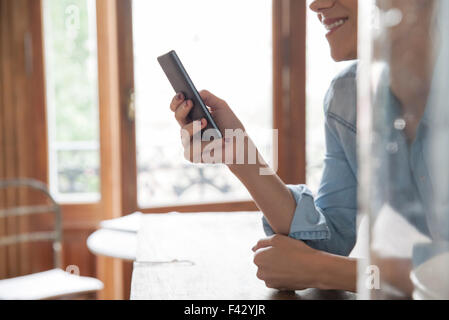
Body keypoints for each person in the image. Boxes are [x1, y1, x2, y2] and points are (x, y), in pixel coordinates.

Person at [168, 0, 439, 294]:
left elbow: (439, 278)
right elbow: (326, 241)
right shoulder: (347, 96)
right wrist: (239, 155)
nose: (316, 4)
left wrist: (323, 271)